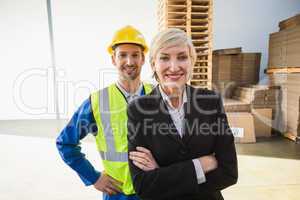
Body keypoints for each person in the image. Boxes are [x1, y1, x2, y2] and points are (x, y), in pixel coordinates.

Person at [127, 28, 238, 200]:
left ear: (191, 61)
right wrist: (201, 165)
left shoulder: (210, 102)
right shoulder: (138, 110)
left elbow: (229, 172)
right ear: (153, 64)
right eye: (164, 58)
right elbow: (143, 185)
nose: (174, 67)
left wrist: (161, 175)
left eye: (182, 57)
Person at [56, 25, 153, 200]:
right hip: (117, 194)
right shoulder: (97, 102)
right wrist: (93, 177)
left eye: (135, 55)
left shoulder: (157, 95)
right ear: (113, 60)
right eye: (122, 55)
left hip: (155, 190)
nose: (129, 61)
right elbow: (65, 143)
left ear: (143, 58)